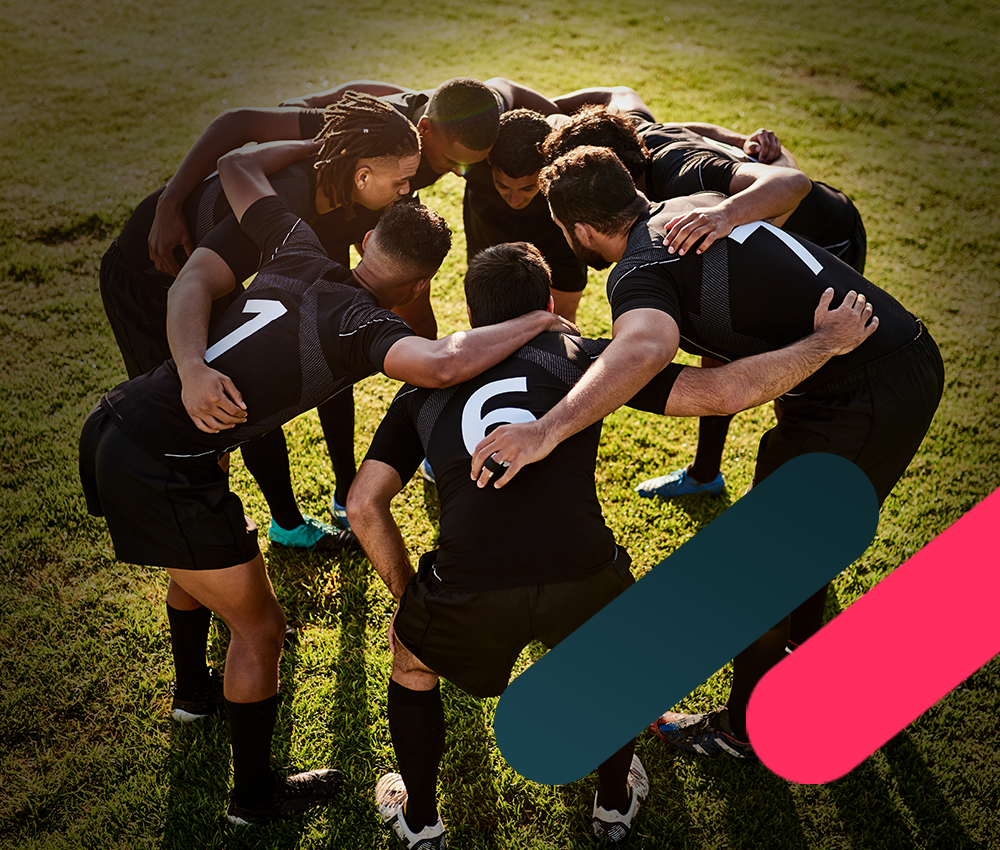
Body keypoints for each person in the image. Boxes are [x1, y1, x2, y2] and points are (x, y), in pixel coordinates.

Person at [80, 138, 577, 824]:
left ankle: (194, 695)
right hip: (165, 466)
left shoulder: (295, 240)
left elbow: (236, 166)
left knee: (195, 564)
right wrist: (541, 318)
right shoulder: (363, 324)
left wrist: (321, 139)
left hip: (115, 422)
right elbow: (438, 364)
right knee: (261, 631)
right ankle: (254, 801)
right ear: (416, 286)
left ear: (368, 238)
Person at [348, 239, 878, 846]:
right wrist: (826, 342)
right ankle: (612, 802)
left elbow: (364, 504)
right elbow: (724, 392)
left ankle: (419, 821)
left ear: (473, 316)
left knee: (412, 660)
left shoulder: (424, 385)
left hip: (469, 584)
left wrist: (410, 593)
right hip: (583, 572)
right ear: (548, 302)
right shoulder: (585, 359)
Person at [469, 146, 944, 758]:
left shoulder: (638, 270)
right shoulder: (693, 205)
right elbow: (789, 184)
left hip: (863, 390)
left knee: (765, 569)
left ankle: (747, 729)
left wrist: (546, 429)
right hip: (866, 376)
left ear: (580, 230)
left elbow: (646, 351)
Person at [101, 92, 420, 550]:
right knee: (195, 412)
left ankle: (284, 526)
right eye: (402, 181)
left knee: (242, 391)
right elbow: (191, 283)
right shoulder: (290, 196)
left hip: (207, 271)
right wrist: (192, 368)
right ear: (362, 175)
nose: (408, 191)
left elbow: (238, 164)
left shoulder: (333, 193)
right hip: (150, 280)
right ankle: (201, 541)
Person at [543, 102, 869, 500]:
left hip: (825, 239)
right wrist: (740, 140)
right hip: (755, 239)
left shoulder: (681, 177)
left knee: (794, 375)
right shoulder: (636, 152)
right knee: (716, 334)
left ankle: (788, 471)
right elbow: (679, 122)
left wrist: (725, 214)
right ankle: (705, 474)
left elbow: (792, 183)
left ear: (619, 171)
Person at [463, 108, 590, 322]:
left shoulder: (568, 171)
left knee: (560, 315)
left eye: (526, 188)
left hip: (554, 225)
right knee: (492, 311)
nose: (515, 201)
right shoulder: (473, 163)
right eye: (502, 186)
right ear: (490, 163)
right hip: (490, 221)